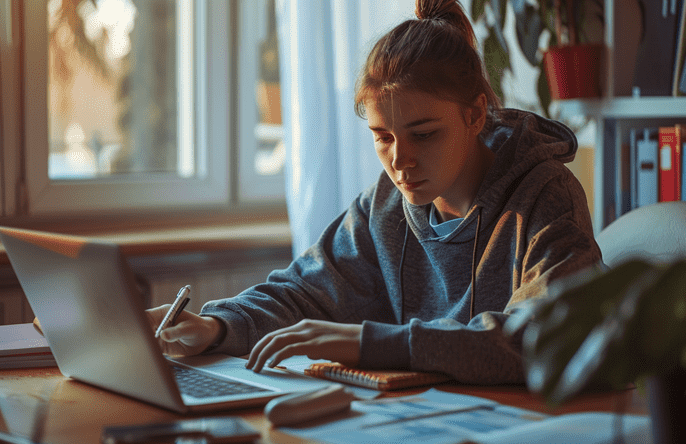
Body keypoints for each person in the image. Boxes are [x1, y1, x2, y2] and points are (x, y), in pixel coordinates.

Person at [146, 0, 602, 385]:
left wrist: (371, 343)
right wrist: (216, 325)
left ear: (475, 115)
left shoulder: (546, 196)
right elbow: (304, 292)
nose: (401, 161)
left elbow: (549, 337)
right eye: (383, 136)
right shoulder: (385, 206)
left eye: (424, 134)